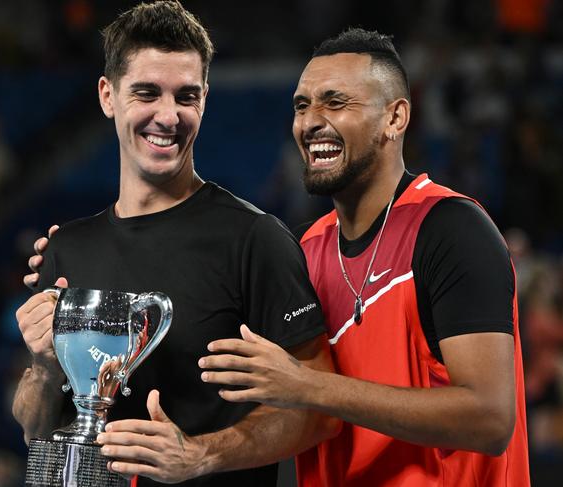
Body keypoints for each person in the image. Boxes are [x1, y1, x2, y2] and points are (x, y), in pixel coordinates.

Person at [12, 2, 339, 486]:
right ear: (108, 95)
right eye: (147, 92)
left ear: (205, 98)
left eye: (186, 96)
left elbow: (320, 409)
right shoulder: (67, 250)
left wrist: (201, 454)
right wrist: (41, 367)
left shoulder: (254, 239)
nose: (168, 116)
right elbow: (35, 429)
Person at [198, 29, 530, 486]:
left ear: (395, 117)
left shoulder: (451, 229)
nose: (310, 121)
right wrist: (195, 453)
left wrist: (309, 386)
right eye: (301, 105)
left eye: (335, 103)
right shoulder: (303, 251)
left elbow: (490, 418)